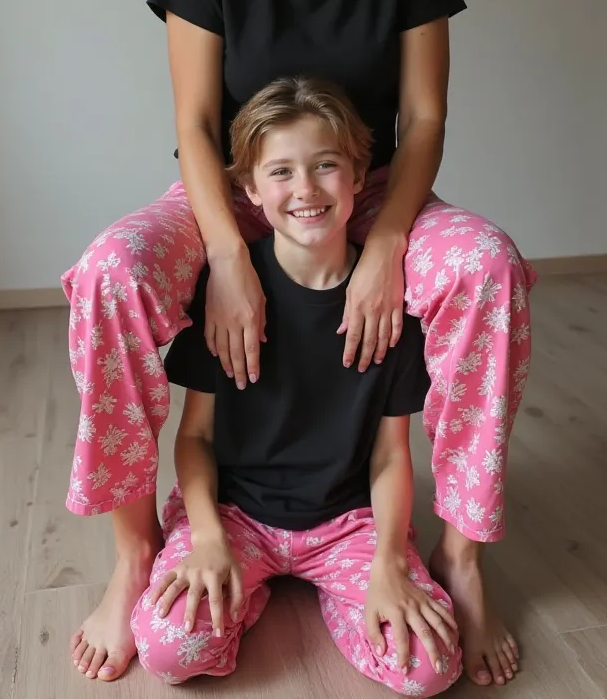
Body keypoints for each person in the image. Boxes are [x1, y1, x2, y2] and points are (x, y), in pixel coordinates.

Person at [64, 0, 535, 686]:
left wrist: (388, 240)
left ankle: (459, 553)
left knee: (488, 264)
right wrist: (227, 256)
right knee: (109, 271)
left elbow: (426, 120)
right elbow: (195, 128)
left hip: (365, 189)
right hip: (234, 195)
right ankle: (132, 556)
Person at [130, 77, 460, 694]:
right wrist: (206, 537)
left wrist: (388, 562)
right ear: (250, 191)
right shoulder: (225, 297)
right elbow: (195, 438)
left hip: (348, 522)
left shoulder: (392, 303)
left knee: (428, 669)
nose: (305, 189)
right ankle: (248, 590)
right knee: (169, 651)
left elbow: (391, 454)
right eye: (280, 172)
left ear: (359, 176)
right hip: (234, 515)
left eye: (325, 165)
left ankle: (337, 594)